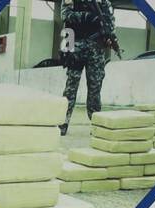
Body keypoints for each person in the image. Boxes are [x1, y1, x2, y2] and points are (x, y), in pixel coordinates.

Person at [59, 0, 120, 136]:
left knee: (95, 87)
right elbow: (65, 15)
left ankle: (96, 124)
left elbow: (109, 21)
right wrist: (87, 16)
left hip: (96, 48)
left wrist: (110, 36)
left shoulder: (103, 2)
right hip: (75, 44)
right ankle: (63, 122)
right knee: (71, 87)